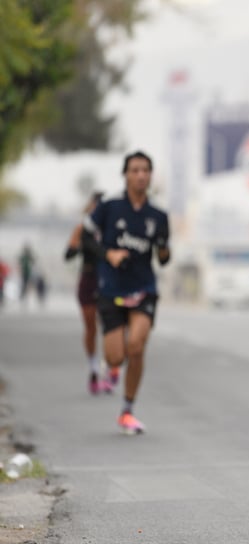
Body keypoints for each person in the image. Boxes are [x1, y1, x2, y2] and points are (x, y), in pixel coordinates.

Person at [82, 151, 170, 435]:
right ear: (126, 175)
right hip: (110, 290)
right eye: (135, 170)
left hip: (144, 289)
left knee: (137, 346)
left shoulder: (158, 216)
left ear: (150, 176)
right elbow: (85, 238)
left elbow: (163, 257)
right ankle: (113, 367)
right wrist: (109, 254)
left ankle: (127, 410)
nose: (141, 175)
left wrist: (165, 249)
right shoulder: (108, 207)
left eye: (145, 170)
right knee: (117, 356)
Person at [65, 191, 121, 394]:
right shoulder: (82, 229)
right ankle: (93, 367)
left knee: (110, 325)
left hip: (109, 281)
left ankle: (111, 366)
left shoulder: (113, 229)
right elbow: (68, 255)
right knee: (90, 326)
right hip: (89, 279)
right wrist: (81, 243)